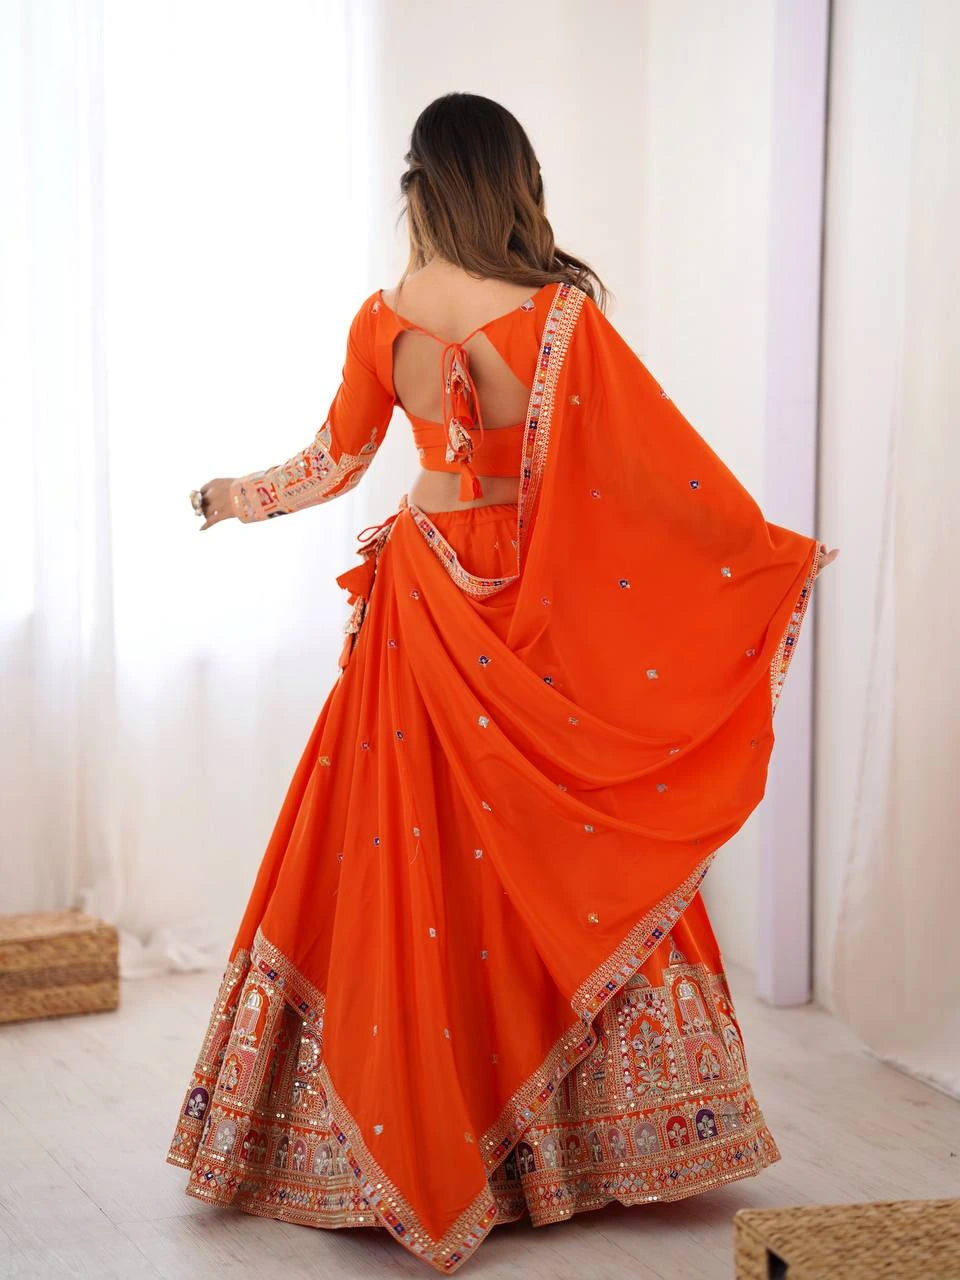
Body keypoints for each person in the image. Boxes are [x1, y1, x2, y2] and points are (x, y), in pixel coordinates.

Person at [170, 92, 838, 1275]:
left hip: (421, 603)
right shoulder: (562, 319)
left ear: (421, 186)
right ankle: (578, 1143)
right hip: (525, 614)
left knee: (403, 862)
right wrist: (757, 560)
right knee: (558, 848)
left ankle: (404, 1125)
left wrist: (236, 492)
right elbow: (654, 481)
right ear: (512, 182)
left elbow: (336, 461)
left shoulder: (384, 320)